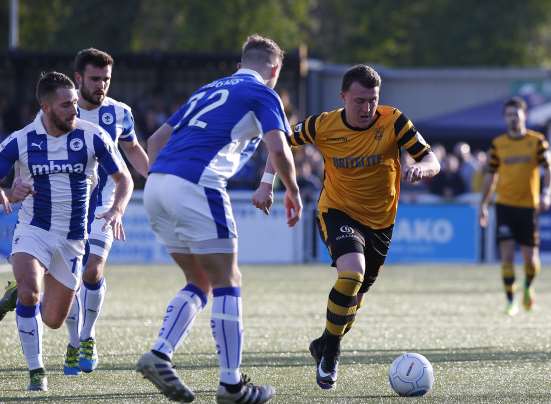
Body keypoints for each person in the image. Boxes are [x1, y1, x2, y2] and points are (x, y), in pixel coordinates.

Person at [136, 34, 302, 404]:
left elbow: (155, 143)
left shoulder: (206, 90)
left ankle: (160, 353)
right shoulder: (264, 93)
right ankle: (231, 385)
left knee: (199, 281)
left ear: (241, 62)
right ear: (274, 69)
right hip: (198, 184)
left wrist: (166, 182)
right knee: (228, 280)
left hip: (157, 185)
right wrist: (292, 190)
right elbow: (279, 147)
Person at [252, 64, 440, 390]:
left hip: (381, 223)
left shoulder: (393, 120)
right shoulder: (323, 125)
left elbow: (431, 159)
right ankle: (332, 351)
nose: (367, 108)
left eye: (372, 100)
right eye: (359, 101)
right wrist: (267, 183)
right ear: (343, 97)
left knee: (354, 298)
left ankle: (324, 342)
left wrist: (422, 170)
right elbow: (278, 142)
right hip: (337, 211)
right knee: (351, 273)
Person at [0, 72, 132, 391]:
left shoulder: (93, 136)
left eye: (74, 102)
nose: (74, 110)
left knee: (53, 319)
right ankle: (37, 373)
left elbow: (124, 179)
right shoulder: (21, 140)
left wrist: (117, 209)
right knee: (32, 290)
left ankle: (19, 296)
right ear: (45, 107)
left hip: (73, 240)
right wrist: (6, 193)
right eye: (65, 105)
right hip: (33, 231)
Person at [60, 48, 149, 376]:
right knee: (67, 280)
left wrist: (154, 180)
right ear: (79, 78)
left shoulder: (119, 112)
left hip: (105, 205)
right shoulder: (60, 112)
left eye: (106, 80)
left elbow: (133, 150)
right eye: (95, 79)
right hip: (64, 207)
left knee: (92, 272)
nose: (102, 86)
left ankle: (88, 336)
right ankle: (72, 342)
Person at [479, 96, 551, 316]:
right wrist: (483, 205)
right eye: (509, 115)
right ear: (505, 118)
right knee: (507, 256)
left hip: (529, 207)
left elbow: (548, 169)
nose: (513, 119)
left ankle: (528, 286)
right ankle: (511, 301)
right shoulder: (498, 144)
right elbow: (491, 176)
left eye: (516, 115)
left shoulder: (537, 141)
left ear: (524, 116)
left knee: (531, 260)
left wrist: (547, 193)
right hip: (505, 206)